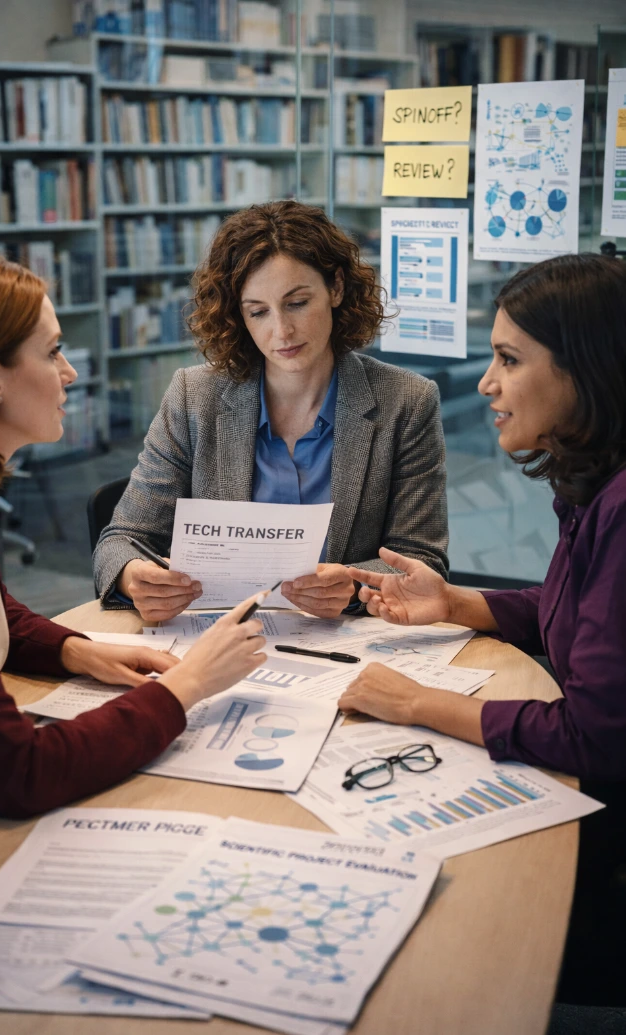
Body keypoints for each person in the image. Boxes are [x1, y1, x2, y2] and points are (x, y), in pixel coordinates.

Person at [340, 253, 626, 1007]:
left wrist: (415, 704)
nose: (487, 384)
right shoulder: (596, 485)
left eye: (509, 359)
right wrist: (455, 602)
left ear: (586, 370)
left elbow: (595, 735)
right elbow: (584, 615)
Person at [0, 252, 267, 820]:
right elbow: (18, 773)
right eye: (53, 351)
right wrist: (187, 685)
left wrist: (77, 651)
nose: (69, 373)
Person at [93, 200, 449, 622]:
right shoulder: (194, 397)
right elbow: (120, 541)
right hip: (221, 642)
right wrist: (135, 577)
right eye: (258, 312)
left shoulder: (406, 402)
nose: (281, 331)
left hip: (346, 644)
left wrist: (352, 586)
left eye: (297, 303)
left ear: (335, 288)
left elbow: (421, 559)